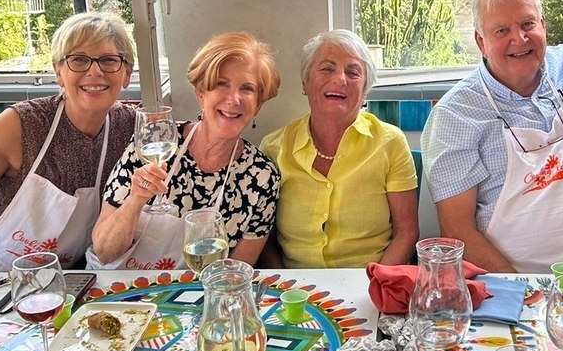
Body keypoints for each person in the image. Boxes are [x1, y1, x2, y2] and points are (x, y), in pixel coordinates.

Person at [0, 11, 138, 272]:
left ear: (127, 74)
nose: (95, 72)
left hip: (55, 282)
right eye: (79, 60)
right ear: (59, 73)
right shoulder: (21, 125)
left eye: (108, 60)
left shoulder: (129, 127)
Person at [88, 32, 281, 270]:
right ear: (201, 94)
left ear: (258, 105)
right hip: (119, 291)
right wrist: (135, 200)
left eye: (247, 89)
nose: (233, 99)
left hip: (192, 299)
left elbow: (233, 275)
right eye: (222, 84)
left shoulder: (262, 176)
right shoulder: (154, 141)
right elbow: (104, 252)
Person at [259, 30, 419, 268]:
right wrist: (286, 289)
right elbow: (264, 240)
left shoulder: (390, 142)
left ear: (365, 91)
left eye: (353, 72)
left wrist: (376, 284)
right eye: (327, 69)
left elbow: (406, 233)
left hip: (369, 285)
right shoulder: (273, 148)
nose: (340, 79)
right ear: (305, 83)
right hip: (295, 293)